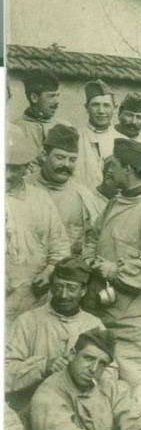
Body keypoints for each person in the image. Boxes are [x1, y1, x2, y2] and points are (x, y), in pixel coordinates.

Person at [83, 138, 141, 387]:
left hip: (137, 332)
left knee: (139, 399)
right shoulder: (115, 202)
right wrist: (90, 258)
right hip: (108, 320)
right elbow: (93, 235)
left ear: (129, 169)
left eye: (113, 164)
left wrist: (115, 270)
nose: (108, 170)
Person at [5, 257, 104, 412]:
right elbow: (4, 375)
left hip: (80, 410)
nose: (63, 295)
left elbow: (110, 372)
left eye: (71, 288)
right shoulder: (27, 322)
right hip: (33, 408)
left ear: (83, 291)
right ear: (51, 288)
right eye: (58, 287)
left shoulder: (94, 325)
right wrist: (43, 366)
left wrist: (83, 374)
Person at [5, 128, 71, 327]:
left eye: (15, 168)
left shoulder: (41, 200)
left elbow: (59, 246)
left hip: (32, 297)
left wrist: (48, 272)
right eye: (4, 166)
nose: (7, 175)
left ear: (25, 168)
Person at [28, 124, 104, 257]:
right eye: (60, 157)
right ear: (45, 155)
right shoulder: (23, 187)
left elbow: (95, 240)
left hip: (65, 273)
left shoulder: (84, 196)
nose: (66, 165)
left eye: (72, 159)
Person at [10, 69, 70, 152]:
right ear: (34, 98)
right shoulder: (15, 129)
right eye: (51, 96)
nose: (57, 102)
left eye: (57, 96)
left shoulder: (65, 128)